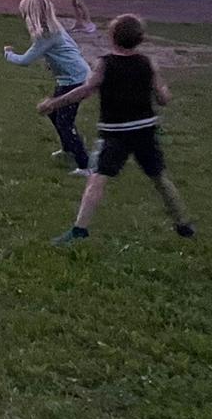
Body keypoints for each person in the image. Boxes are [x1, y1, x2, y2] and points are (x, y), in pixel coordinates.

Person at [45, 14, 194, 246]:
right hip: (145, 131)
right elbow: (163, 98)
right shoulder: (147, 63)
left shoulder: (105, 64)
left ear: (112, 37)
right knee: (160, 178)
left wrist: (54, 103)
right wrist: (163, 90)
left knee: (97, 179)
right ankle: (183, 224)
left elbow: (85, 90)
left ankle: (79, 230)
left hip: (115, 133)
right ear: (140, 39)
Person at [4, 0, 91, 175]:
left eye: (24, 13)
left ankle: (85, 165)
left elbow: (25, 61)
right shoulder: (55, 28)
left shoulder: (46, 35)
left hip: (74, 80)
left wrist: (9, 54)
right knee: (53, 112)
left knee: (65, 122)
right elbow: (72, 48)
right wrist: (54, 61)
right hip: (71, 78)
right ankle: (68, 150)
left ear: (32, 15)